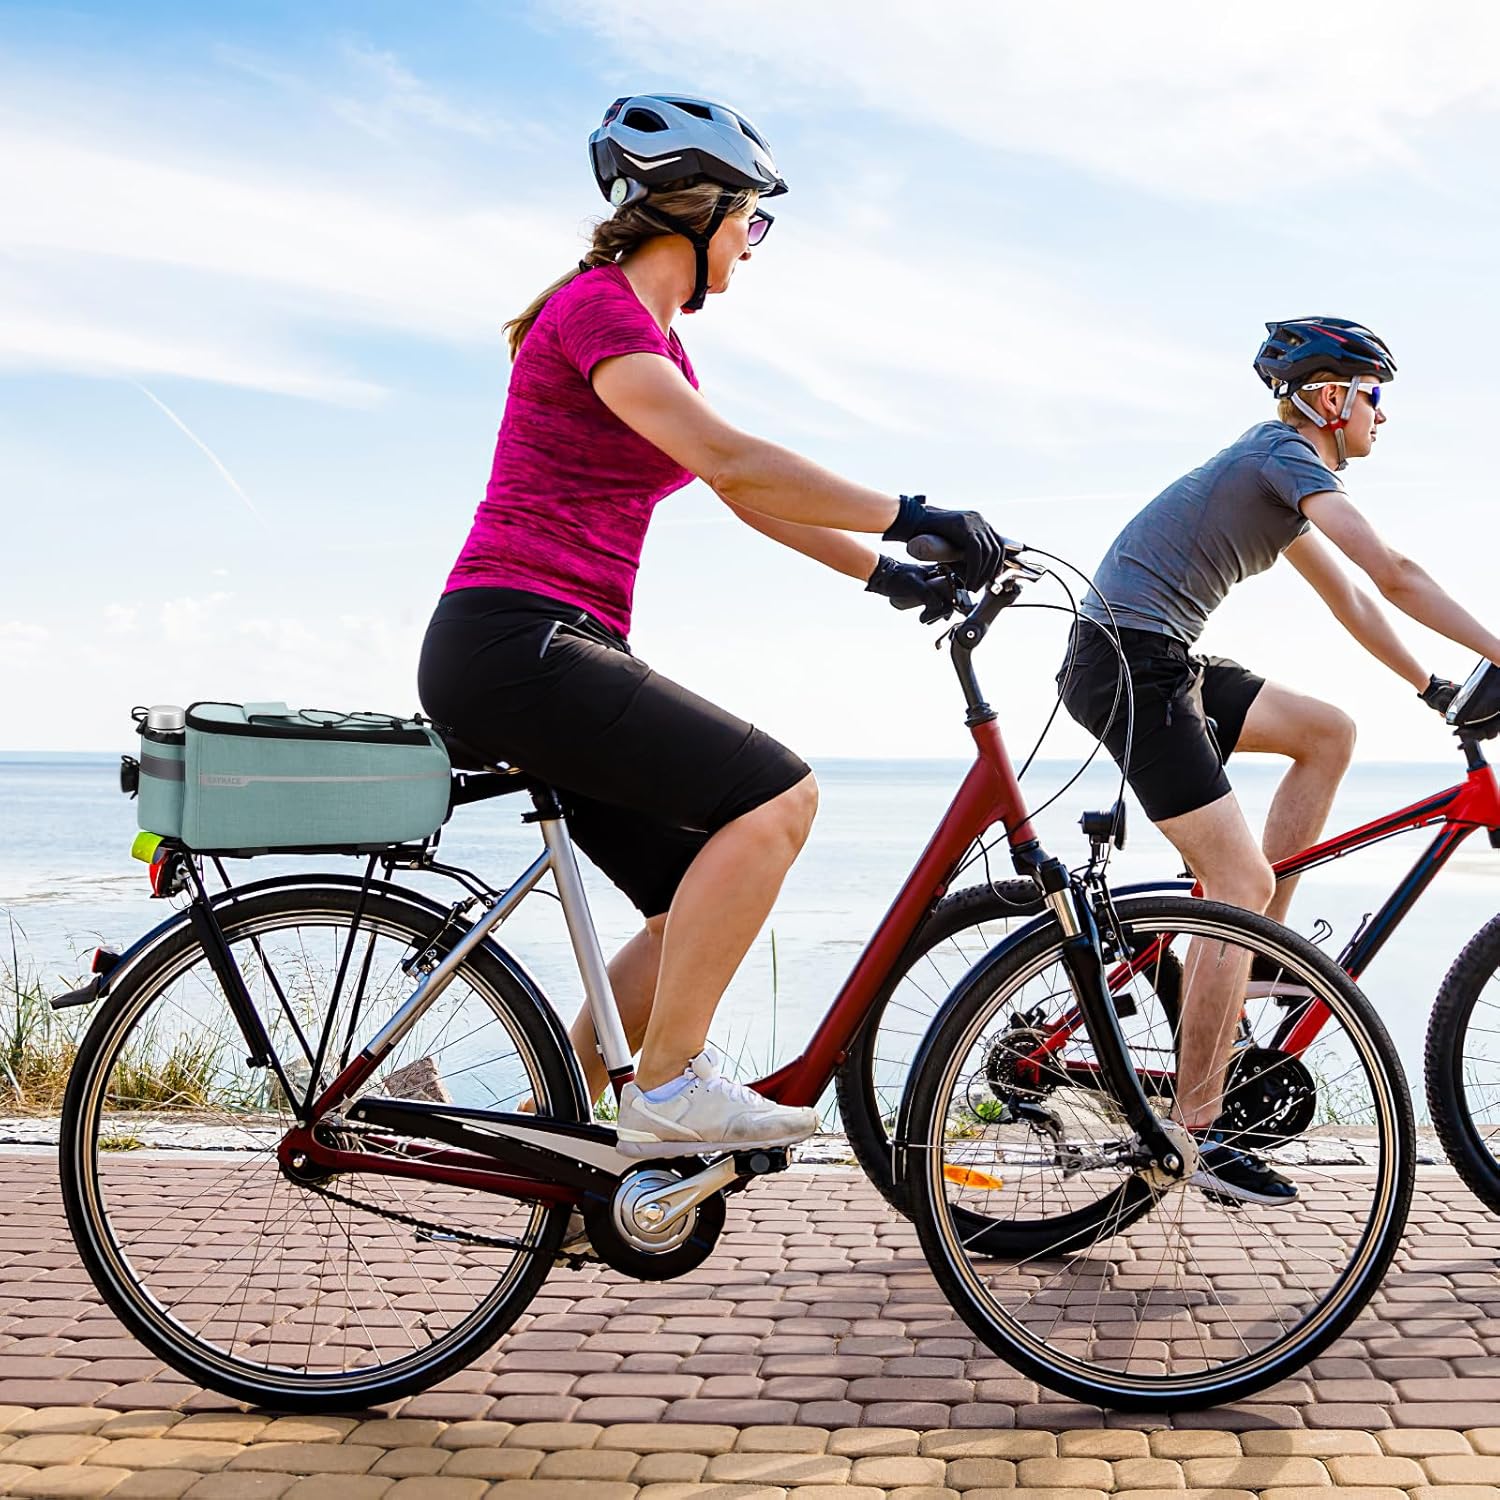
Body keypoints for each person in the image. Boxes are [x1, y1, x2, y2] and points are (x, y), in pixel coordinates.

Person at [418, 94, 1004, 1159]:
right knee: (779, 797)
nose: (752, 244)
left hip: (541, 647)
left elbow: (746, 497)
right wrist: (911, 514)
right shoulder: (599, 312)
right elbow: (733, 460)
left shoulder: (655, 346)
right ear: (700, 212)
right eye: (751, 220)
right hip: (518, 641)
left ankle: (555, 1140)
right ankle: (670, 1084)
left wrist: (888, 574)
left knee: (685, 901)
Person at [1059, 317, 1500, 1204]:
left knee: (1327, 732)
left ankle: (1258, 952)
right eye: (1375, 396)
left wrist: (1434, 686)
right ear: (1331, 399)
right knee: (1236, 884)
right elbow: (1394, 572)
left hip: (1158, 657)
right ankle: (1196, 1131)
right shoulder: (1282, 455)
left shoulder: (1277, 475)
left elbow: (1353, 600)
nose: (1382, 415)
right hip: (1129, 665)